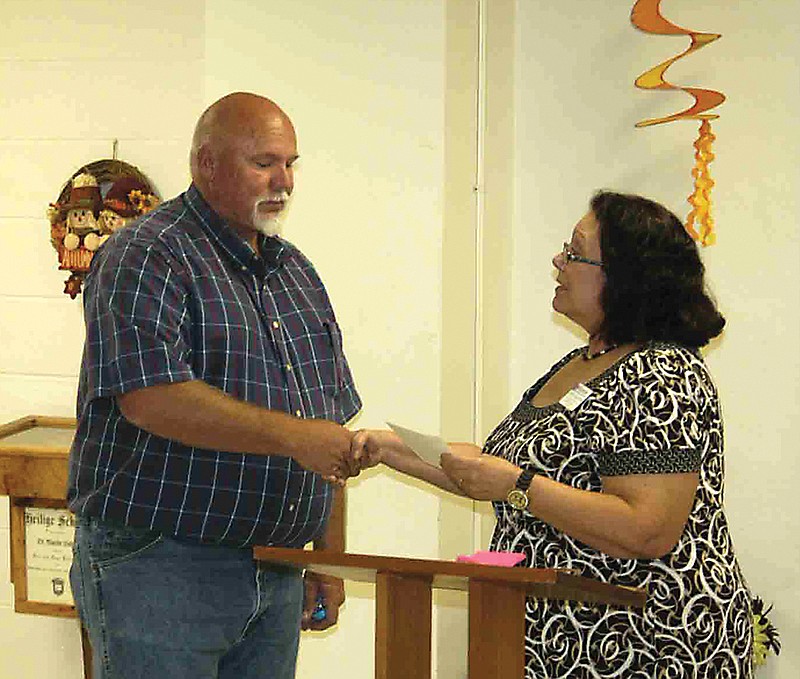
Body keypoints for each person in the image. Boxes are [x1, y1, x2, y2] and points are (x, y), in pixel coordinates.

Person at [352, 191, 756, 677]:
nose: (558, 260)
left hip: (647, 642)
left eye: (574, 251)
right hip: (561, 636)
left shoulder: (663, 373)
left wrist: (516, 486)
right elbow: (493, 467)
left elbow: (647, 529)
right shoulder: (578, 365)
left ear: (623, 277)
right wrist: (385, 448)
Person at [67, 92, 361, 679]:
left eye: (291, 163)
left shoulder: (295, 271)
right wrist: (293, 437)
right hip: (163, 564)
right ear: (206, 163)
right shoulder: (145, 254)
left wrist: (326, 557)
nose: (284, 181)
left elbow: (328, 429)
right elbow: (152, 398)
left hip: (277, 569)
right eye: (264, 163)